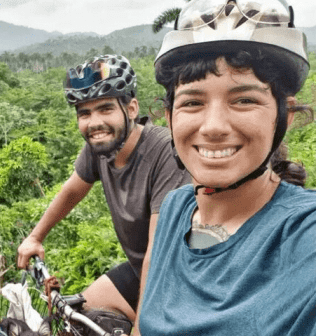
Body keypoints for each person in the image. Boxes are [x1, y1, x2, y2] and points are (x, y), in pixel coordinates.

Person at [136, 0, 316, 334]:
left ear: (285, 116)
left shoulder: (304, 234)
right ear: (170, 116)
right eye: (192, 102)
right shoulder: (176, 209)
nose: (213, 126)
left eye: (244, 99)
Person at [16, 54, 190, 320]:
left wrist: (141, 328)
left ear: (131, 109)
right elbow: (72, 190)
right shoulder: (99, 148)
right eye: (84, 113)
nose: (94, 122)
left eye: (105, 109)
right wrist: (35, 237)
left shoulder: (165, 152)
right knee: (80, 319)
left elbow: (157, 252)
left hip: (180, 276)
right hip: (137, 268)